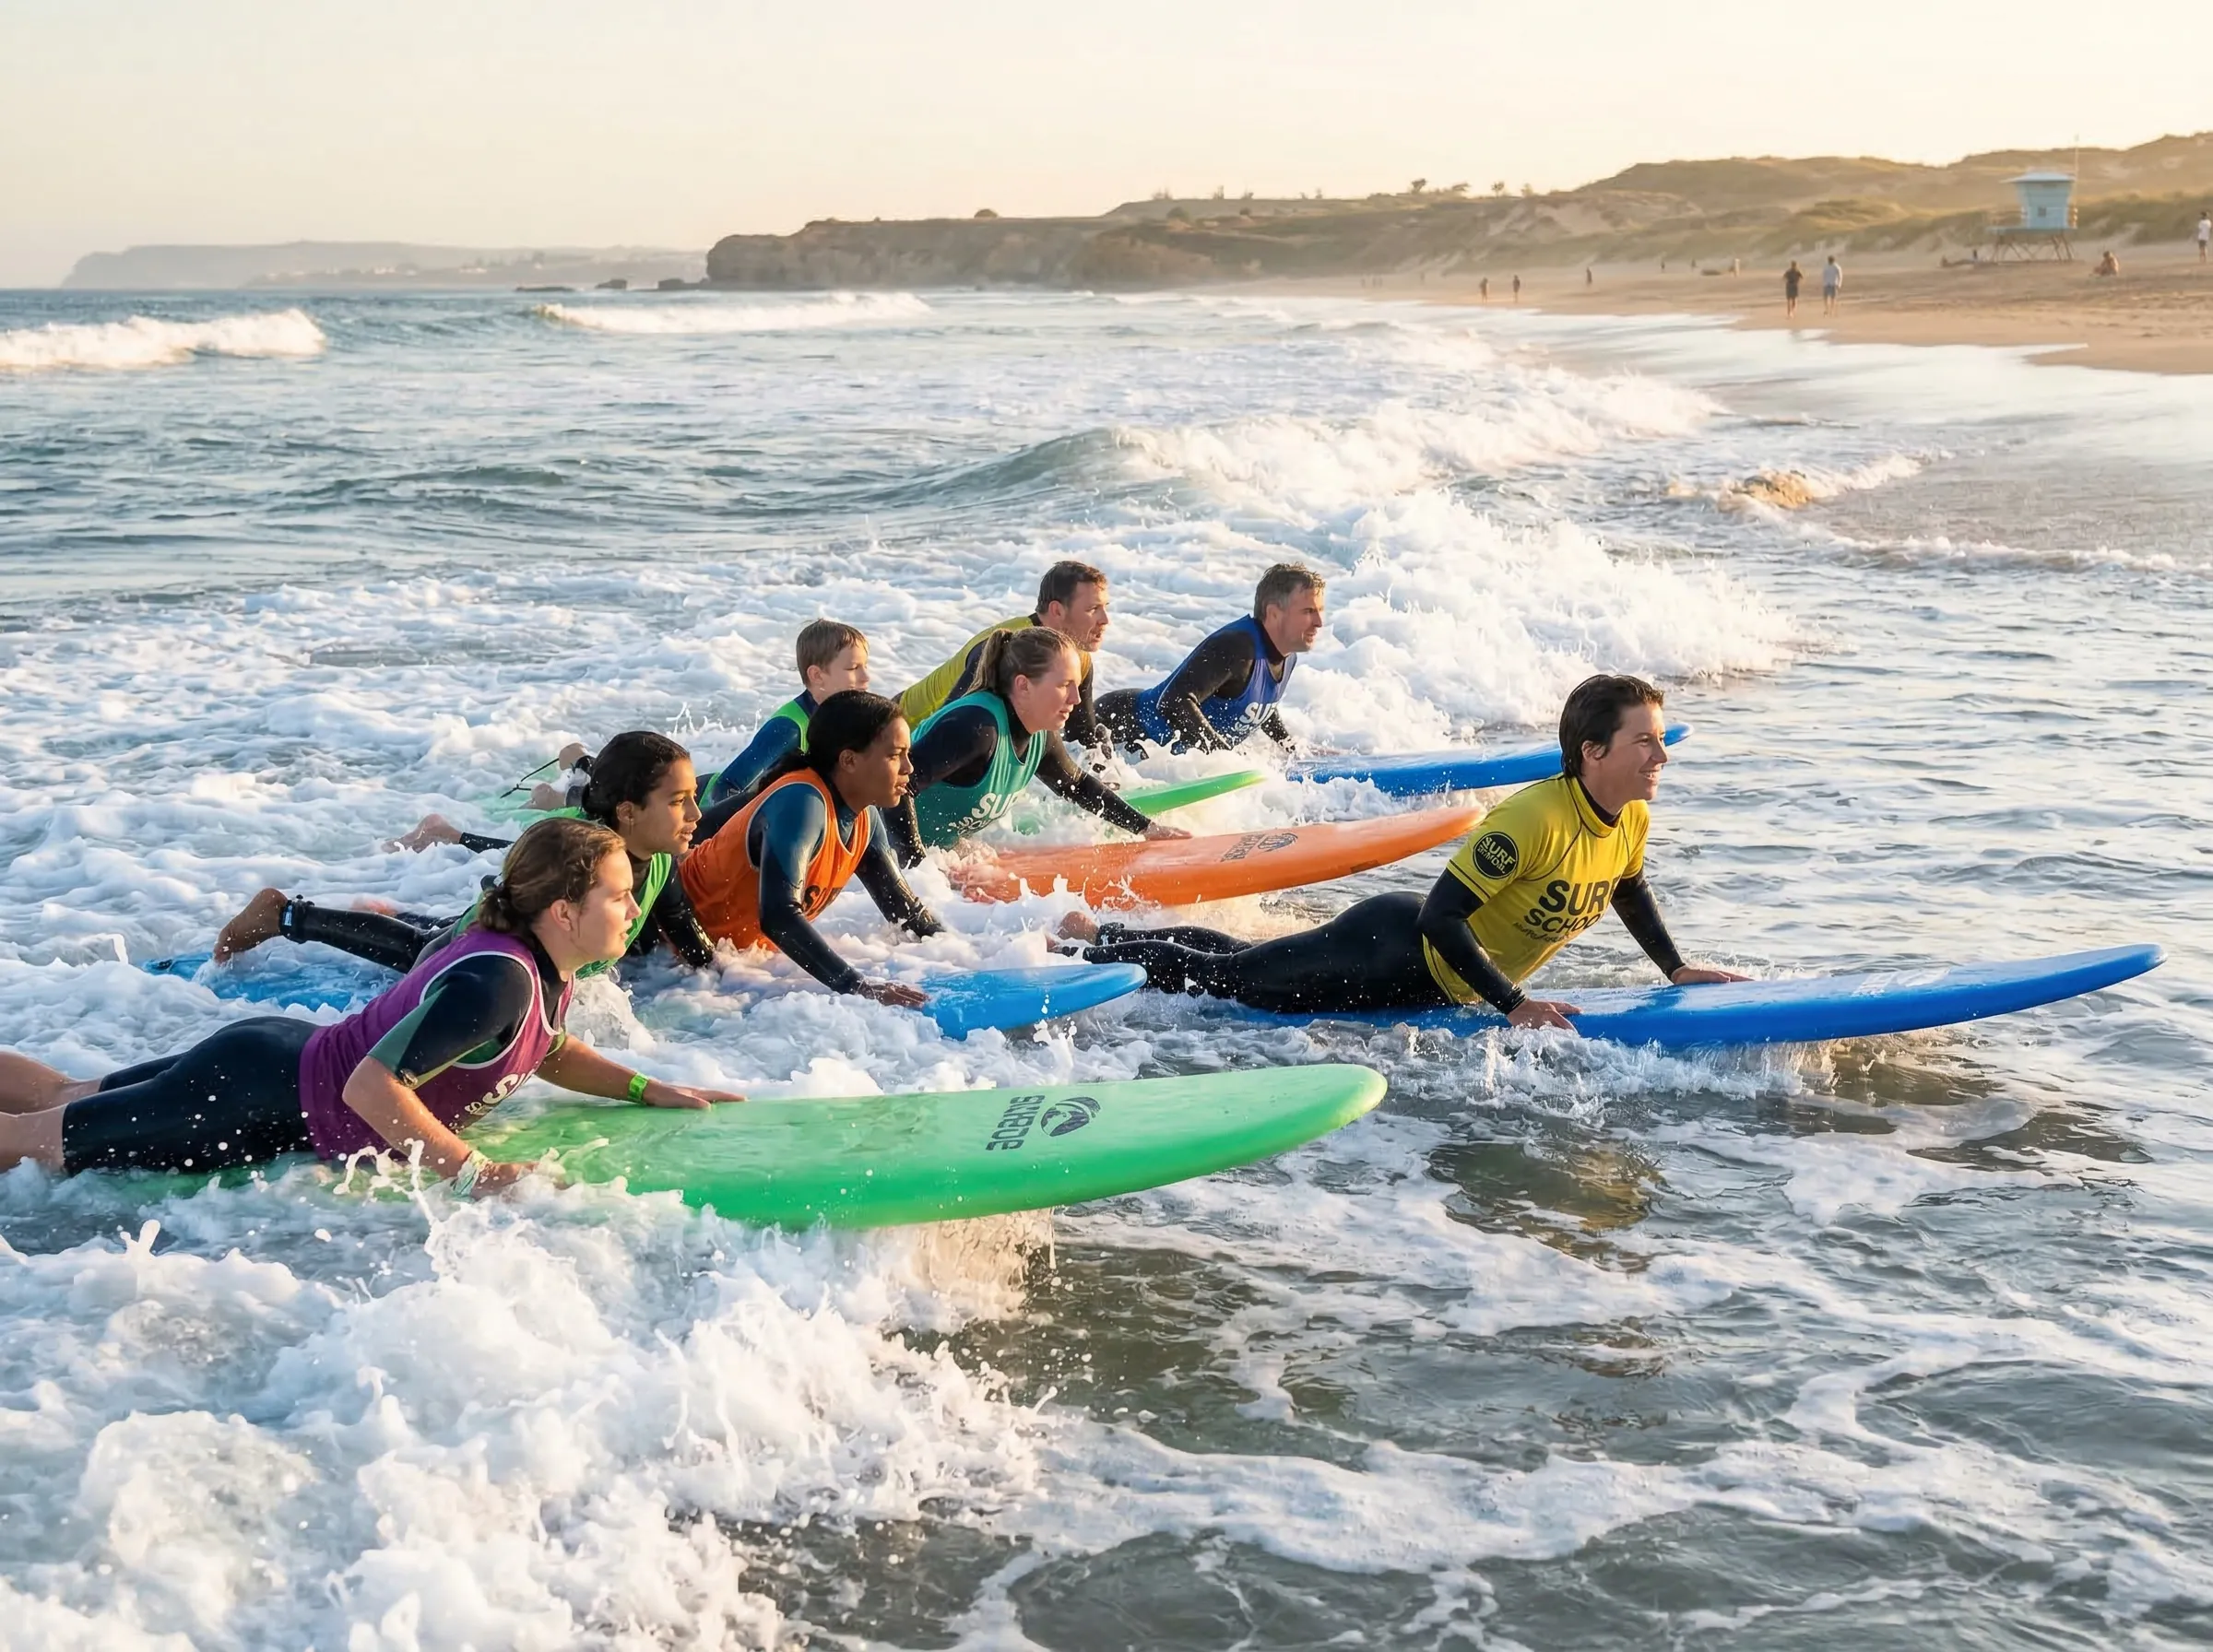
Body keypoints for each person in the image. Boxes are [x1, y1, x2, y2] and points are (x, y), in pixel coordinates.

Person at [0, 818, 744, 1188]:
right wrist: (476, 1172)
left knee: (57, 1100)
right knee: (28, 1142)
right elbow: (370, 1087)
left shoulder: (543, 970)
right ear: (562, 911)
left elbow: (547, 1047)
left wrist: (648, 1088)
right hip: (248, 1097)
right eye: (616, 896)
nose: (630, 908)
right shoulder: (501, 980)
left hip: (266, 1062)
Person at [1064, 674, 1746, 1028]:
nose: (1661, 755)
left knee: (1243, 961)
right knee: (1228, 982)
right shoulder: (1533, 820)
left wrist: (1675, 967)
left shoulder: (1625, 817)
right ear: (1593, 752)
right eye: (1646, 742)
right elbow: (1439, 918)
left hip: (1433, 975)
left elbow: (1627, 886)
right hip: (1391, 951)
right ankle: (1073, 958)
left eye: (1660, 740)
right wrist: (1513, 1003)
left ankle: (1106, 931)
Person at [212, 731, 715, 977]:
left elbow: (681, 927)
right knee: (424, 951)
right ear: (627, 811)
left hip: (500, 918)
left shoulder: (662, 858)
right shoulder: (576, 857)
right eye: (678, 801)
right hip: (485, 940)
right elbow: (508, 933)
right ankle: (287, 915)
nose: (696, 812)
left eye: (693, 796)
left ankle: (381, 910)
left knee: (433, 928)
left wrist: (727, 988)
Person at [679, 690, 941, 1006]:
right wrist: (859, 987)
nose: (909, 768)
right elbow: (778, 916)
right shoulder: (803, 803)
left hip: (723, 966)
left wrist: (963, 953)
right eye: (895, 755)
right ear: (849, 760)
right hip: (667, 948)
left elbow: (906, 913)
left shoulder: (864, 818)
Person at [889, 627, 1187, 861]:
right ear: (1023, 685)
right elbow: (894, 786)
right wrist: (915, 865)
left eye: (1076, 684)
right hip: (874, 850)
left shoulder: (1039, 735)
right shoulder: (976, 728)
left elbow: (1077, 785)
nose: (1076, 699)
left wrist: (1147, 829)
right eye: (1063, 685)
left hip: (930, 851)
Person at [1095, 563, 1325, 753]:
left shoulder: (1286, 655)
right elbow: (1174, 701)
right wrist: (1223, 758)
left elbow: (1258, 701)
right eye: (1307, 612)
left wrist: (1291, 747)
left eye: (1319, 611)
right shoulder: (1236, 649)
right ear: (1274, 613)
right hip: (1120, 726)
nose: (1318, 622)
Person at [893, 560, 1114, 756]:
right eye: (1093, 609)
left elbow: (1082, 741)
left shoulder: (1076, 659)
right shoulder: (1005, 649)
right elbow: (950, 728)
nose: (1105, 620)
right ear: (1057, 610)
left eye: (1105, 607)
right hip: (900, 732)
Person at [704, 619, 871, 807]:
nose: (866, 677)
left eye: (865, 666)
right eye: (853, 668)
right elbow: (725, 788)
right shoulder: (789, 728)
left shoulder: (849, 721)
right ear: (817, 676)